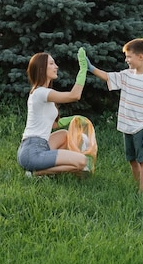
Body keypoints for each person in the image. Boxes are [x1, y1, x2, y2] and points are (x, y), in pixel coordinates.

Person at [86, 38, 143, 192]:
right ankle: (137, 184)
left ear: (141, 57)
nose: (126, 60)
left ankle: (142, 193)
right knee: (132, 160)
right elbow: (108, 77)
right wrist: (91, 68)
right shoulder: (126, 75)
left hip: (141, 127)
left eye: (129, 56)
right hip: (127, 126)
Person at [17, 48, 92, 177]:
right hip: (32, 151)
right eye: (51, 64)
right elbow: (74, 96)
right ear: (41, 69)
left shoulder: (42, 93)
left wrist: (73, 119)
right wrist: (83, 70)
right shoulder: (41, 93)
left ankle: (46, 167)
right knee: (82, 162)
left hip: (37, 147)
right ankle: (37, 172)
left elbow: (54, 125)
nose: (56, 67)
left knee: (64, 134)